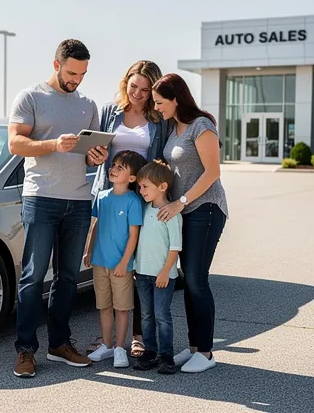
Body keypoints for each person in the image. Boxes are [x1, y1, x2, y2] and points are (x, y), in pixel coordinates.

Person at [8, 39, 109, 378]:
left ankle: (60, 344)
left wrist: (96, 155)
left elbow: (90, 151)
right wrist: (53, 144)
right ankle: (25, 350)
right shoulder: (31, 97)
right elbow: (15, 143)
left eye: (82, 74)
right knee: (33, 276)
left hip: (79, 200)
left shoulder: (88, 104)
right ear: (56, 64)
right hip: (41, 198)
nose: (76, 80)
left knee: (68, 277)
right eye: (71, 72)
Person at [88, 60, 168, 360]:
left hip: (141, 197)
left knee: (139, 268)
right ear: (126, 83)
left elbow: (162, 159)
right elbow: (93, 154)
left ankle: (137, 336)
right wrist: (94, 157)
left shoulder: (158, 119)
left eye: (145, 90)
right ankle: (109, 338)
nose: (138, 93)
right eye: (133, 86)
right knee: (111, 265)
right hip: (111, 196)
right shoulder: (110, 112)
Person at [152, 73, 229, 374]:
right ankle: (195, 347)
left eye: (160, 102)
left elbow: (212, 172)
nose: (157, 107)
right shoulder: (173, 129)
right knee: (190, 279)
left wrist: (179, 203)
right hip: (183, 213)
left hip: (206, 209)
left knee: (197, 280)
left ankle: (208, 353)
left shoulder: (201, 125)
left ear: (176, 99)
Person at [83, 150, 147, 368]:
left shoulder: (133, 201)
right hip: (100, 263)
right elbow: (96, 225)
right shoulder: (101, 197)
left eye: (121, 167)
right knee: (103, 306)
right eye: (114, 165)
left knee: (122, 307)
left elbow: (133, 235)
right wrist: (89, 250)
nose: (114, 168)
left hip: (121, 266)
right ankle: (107, 345)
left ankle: (121, 347)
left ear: (132, 178)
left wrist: (124, 262)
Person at [132, 159, 182, 374]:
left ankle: (166, 355)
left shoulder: (171, 214)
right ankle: (150, 352)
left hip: (163, 275)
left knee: (162, 315)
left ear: (162, 187)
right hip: (142, 274)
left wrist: (165, 272)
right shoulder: (143, 209)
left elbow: (175, 246)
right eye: (140, 186)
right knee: (146, 315)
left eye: (145, 186)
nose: (141, 190)